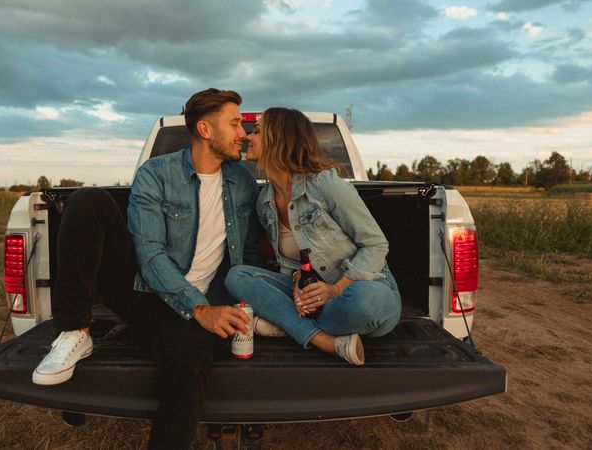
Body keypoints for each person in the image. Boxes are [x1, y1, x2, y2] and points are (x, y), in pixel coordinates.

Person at [32, 88, 262, 450]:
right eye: (235, 124)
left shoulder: (243, 181)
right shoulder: (156, 174)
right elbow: (150, 254)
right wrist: (198, 308)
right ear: (205, 129)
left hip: (196, 304)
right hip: (143, 290)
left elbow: (247, 253)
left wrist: (247, 303)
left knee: (192, 356)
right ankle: (75, 332)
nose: (243, 134)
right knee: (88, 200)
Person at [225, 107, 401, 365]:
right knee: (237, 276)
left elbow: (375, 244)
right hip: (310, 300)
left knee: (367, 302)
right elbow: (291, 264)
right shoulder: (264, 202)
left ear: (279, 139)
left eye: (258, 131)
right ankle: (320, 337)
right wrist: (298, 281)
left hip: (356, 290)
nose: (247, 137)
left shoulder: (324, 185)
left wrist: (334, 290)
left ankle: (286, 324)